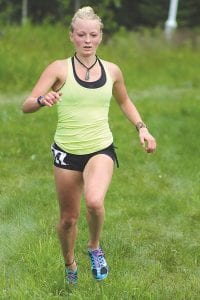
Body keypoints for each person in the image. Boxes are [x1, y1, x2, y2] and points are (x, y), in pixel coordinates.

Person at [22, 6, 156, 285]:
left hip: (100, 148)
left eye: (93, 35)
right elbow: (26, 105)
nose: (87, 40)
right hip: (66, 153)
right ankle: (70, 265)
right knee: (68, 220)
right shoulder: (59, 69)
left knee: (94, 201)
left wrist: (142, 128)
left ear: (100, 37)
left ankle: (94, 246)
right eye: (81, 34)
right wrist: (41, 100)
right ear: (71, 36)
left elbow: (124, 101)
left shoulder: (112, 71)